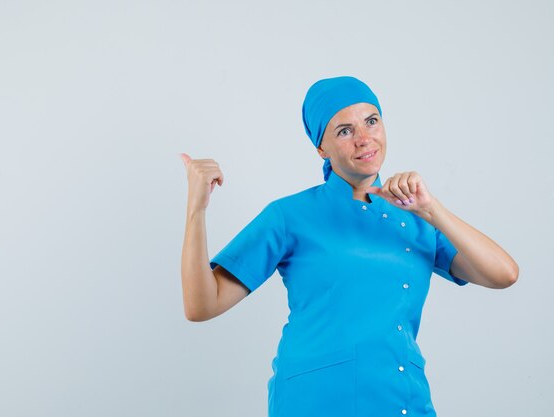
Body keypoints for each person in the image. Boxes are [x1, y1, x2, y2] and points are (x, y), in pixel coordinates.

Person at [179, 75, 519, 417]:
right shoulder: (290, 216)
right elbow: (202, 305)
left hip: (402, 401)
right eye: (344, 130)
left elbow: (504, 274)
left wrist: (432, 210)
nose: (364, 139)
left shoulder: (418, 217)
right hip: (314, 403)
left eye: (371, 121)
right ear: (321, 148)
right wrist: (197, 208)